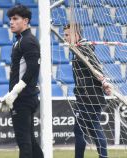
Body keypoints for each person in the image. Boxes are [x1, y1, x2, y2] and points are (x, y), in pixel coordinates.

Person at [0, 5, 43, 158]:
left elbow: (32, 70)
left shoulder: (28, 41)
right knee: (30, 141)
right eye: (10, 19)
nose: (11, 22)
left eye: (15, 19)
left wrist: (15, 93)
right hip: (23, 97)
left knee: (24, 144)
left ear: (26, 21)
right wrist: (10, 93)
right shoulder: (21, 40)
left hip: (23, 98)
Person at [63, 23, 112, 158]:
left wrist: (104, 82)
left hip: (88, 97)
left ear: (76, 35)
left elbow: (95, 67)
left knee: (80, 130)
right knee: (94, 128)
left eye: (67, 35)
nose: (65, 38)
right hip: (91, 96)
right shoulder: (78, 48)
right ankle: (103, 156)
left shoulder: (83, 48)